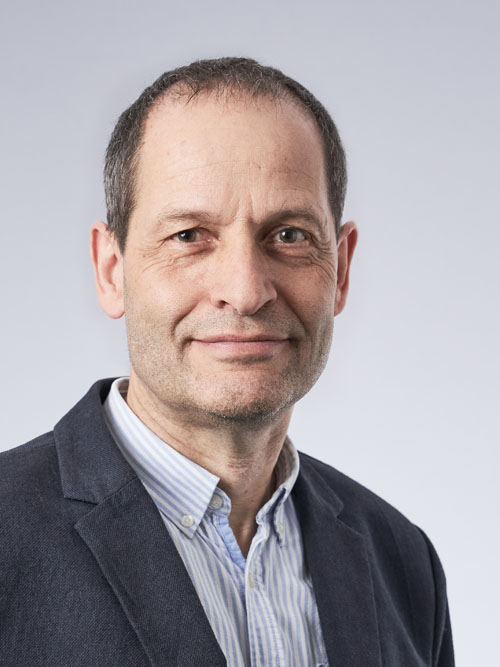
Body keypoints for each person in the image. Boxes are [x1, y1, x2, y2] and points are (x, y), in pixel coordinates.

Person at [0, 57, 454, 667]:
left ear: (341, 269)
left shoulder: (403, 563)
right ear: (111, 270)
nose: (244, 291)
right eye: (189, 235)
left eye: (289, 235)